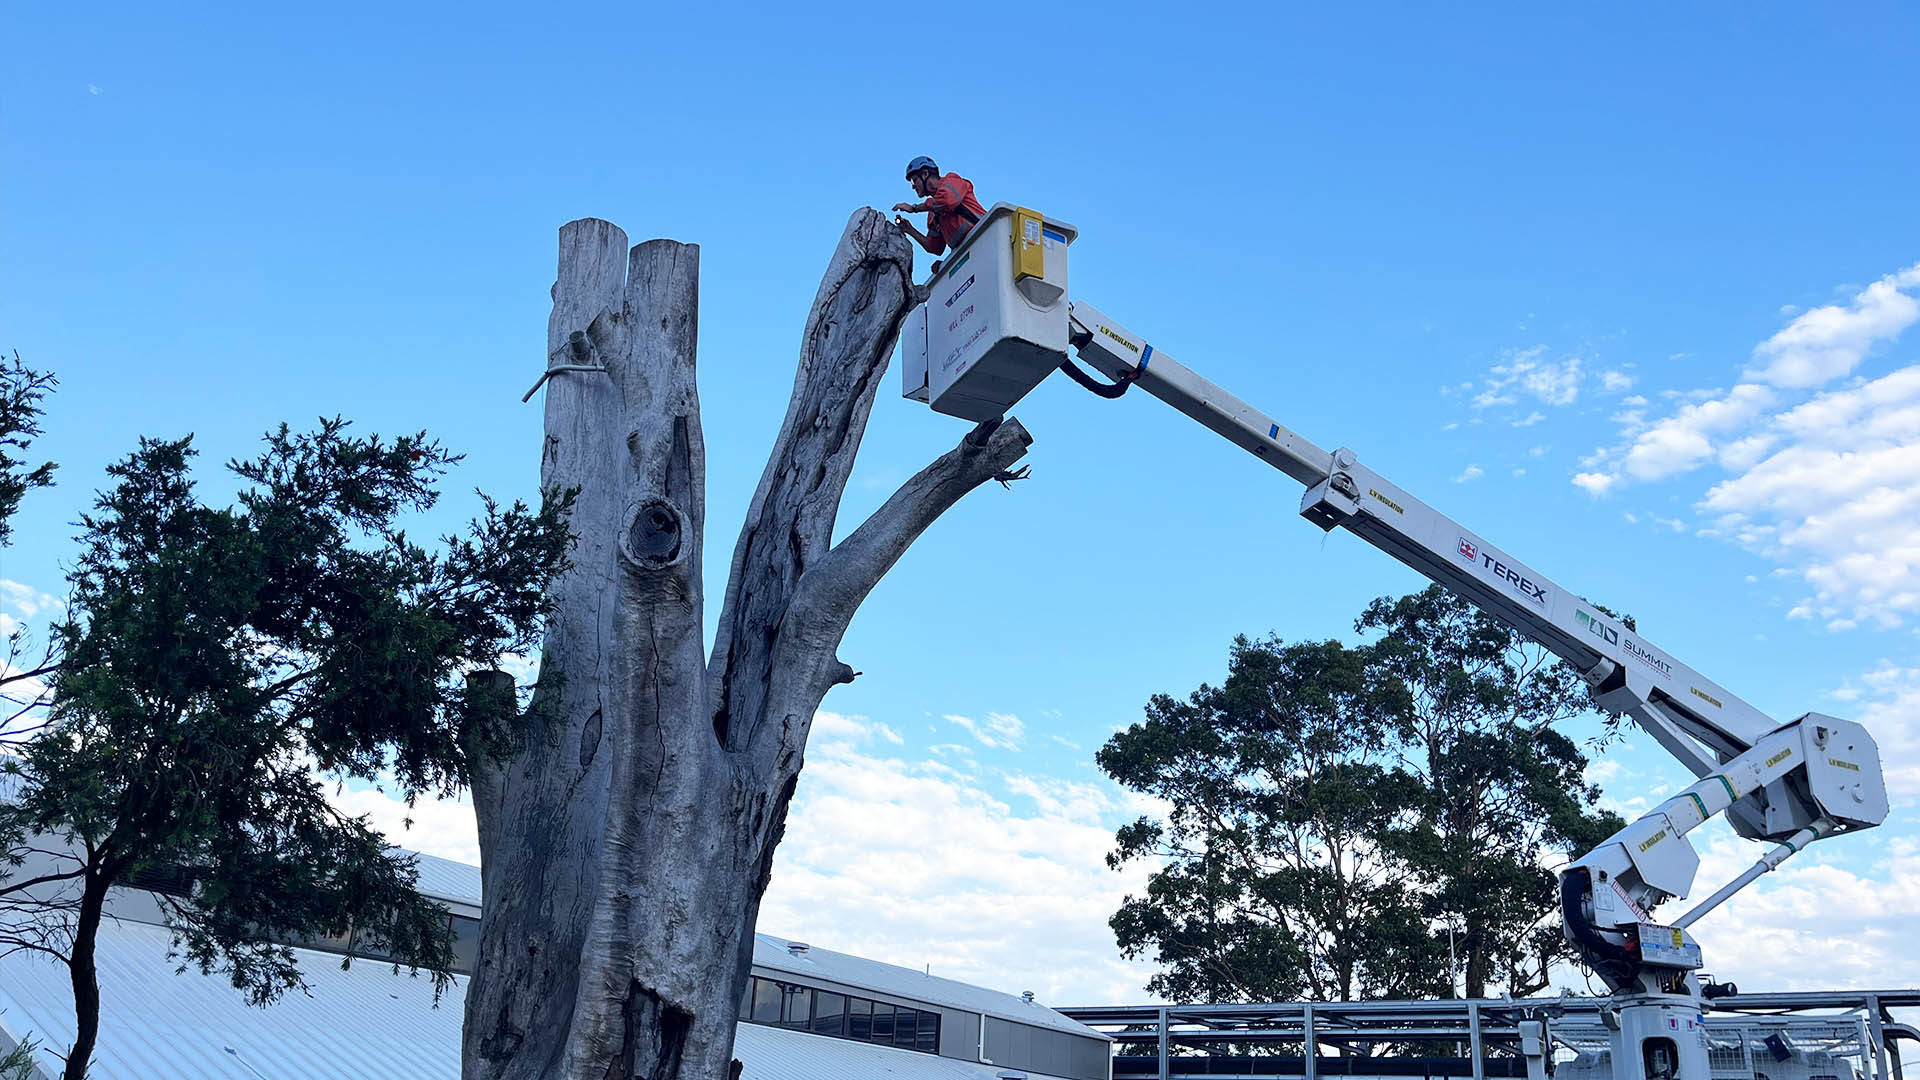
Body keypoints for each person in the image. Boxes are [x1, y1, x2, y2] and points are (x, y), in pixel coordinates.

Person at [892, 156, 985, 273]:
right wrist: (910, 230)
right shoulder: (933, 212)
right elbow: (935, 247)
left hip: (985, 236)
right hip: (968, 254)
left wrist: (914, 208)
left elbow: (947, 200)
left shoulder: (952, 181)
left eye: (914, 180)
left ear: (925, 174)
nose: (913, 186)